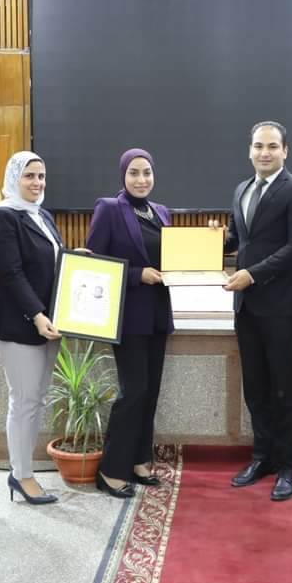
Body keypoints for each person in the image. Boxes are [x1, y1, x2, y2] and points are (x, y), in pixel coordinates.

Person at [221, 121, 292, 502]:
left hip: (281, 306)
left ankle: (289, 467)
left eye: (272, 146)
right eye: (258, 146)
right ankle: (262, 457)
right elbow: (238, 238)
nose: (265, 152)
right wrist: (214, 241)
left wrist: (252, 275)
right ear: (249, 150)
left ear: (285, 151)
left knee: (284, 388)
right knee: (256, 387)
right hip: (246, 306)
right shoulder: (241, 189)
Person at [86, 149, 174, 499]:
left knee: (149, 392)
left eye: (147, 172)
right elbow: (95, 265)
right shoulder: (109, 208)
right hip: (128, 317)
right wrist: (138, 275)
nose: (141, 179)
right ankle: (111, 470)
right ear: (123, 175)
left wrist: (214, 242)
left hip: (158, 315)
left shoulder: (161, 212)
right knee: (133, 392)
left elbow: (175, 259)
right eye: (134, 172)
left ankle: (139, 461)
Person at [0, 151, 64, 505]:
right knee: (24, 400)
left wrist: (75, 258)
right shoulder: (4, 217)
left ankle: (24, 470)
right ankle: (21, 474)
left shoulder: (41, 215)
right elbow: (11, 273)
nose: (37, 182)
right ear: (14, 178)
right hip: (21, 322)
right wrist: (37, 315)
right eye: (29, 175)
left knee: (36, 399)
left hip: (49, 322)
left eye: (41, 176)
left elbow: (48, 262)